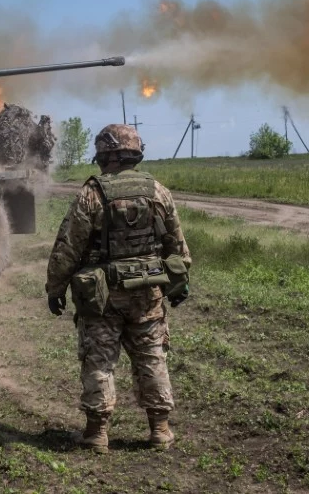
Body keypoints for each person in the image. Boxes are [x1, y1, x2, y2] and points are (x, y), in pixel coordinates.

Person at [45, 124, 191, 454]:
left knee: (99, 361)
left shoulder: (91, 194)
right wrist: (179, 283)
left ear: (106, 155)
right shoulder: (158, 191)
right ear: (134, 153)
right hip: (148, 294)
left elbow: (67, 248)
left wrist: (56, 289)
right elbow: (176, 245)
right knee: (152, 357)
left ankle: (97, 435)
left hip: (102, 298)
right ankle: (160, 430)